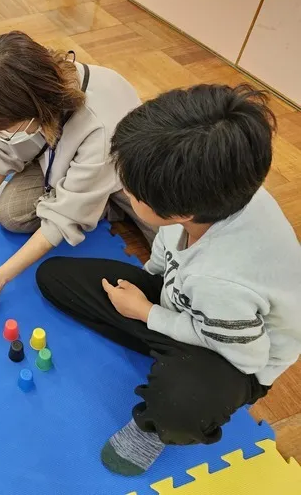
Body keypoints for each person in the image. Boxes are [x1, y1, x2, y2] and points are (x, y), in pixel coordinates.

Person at [36, 84, 301, 475]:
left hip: (234, 357)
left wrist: (146, 314)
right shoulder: (218, 195)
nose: (123, 191)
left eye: (131, 189)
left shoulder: (222, 279)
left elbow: (249, 356)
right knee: (55, 277)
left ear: (181, 210)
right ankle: (167, 350)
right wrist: (146, 292)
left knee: (183, 403)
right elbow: (167, 249)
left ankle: (157, 425)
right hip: (187, 306)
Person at [0, 31, 153, 318]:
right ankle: (88, 200)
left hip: (125, 179)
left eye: (6, 127)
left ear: (36, 110)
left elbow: (60, 221)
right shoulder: (37, 91)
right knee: (11, 214)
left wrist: (0, 277)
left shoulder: (99, 127)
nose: (0, 136)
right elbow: (2, 151)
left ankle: (99, 202)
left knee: (163, 245)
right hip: (66, 163)